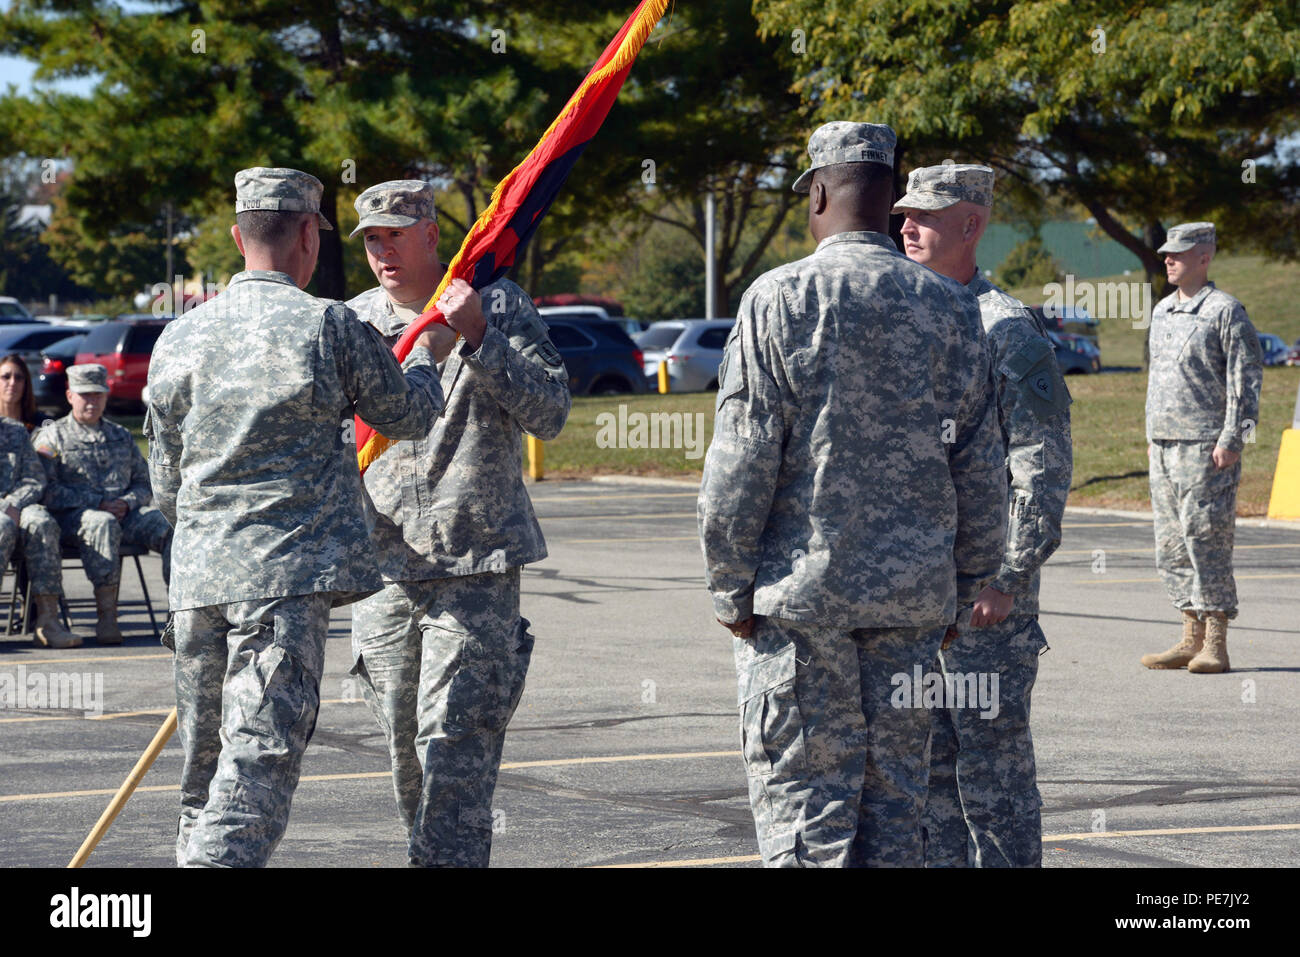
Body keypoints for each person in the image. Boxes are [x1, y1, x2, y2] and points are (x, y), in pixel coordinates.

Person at [697, 123, 1007, 867]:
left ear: (821, 190)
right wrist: (966, 588)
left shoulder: (778, 299)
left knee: (808, 821)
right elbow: (980, 467)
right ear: (889, 194)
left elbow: (740, 465)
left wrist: (729, 589)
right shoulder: (952, 307)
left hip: (805, 610)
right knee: (896, 819)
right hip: (911, 607)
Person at [145, 166, 454, 868]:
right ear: (310, 237)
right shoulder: (329, 324)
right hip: (279, 589)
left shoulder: (179, 338)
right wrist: (430, 357)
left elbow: (166, 482)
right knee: (255, 771)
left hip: (196, 585)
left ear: (236, 236)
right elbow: (405, 415)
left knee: (205, 778)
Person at [345, 179, 570, 867]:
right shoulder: (350, 322)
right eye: (371, 238)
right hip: (383, 575)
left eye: (394, 233)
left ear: (432, 234)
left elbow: (552, 412)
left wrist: (479, 337)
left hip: (474, 569)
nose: (382, 249)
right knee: (407, 763)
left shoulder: (497, 303)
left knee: (456, 760)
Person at [893, 164, 1073, 868]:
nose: (908, 225)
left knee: (993, 777)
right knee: (928, 772)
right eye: (904, 212)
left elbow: (1044, 463)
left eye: (927, 215)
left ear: (972, 224)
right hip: (913, 595)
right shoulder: (905, 318)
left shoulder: (1006, 329)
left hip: (985, 604)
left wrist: (1007, 576)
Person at [1140, 222, 1262, 674]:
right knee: (1170, 543)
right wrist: (1152, 437)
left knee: (1206, 540)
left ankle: (1215, 641)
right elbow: (1157, 382)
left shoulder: (1225, 311)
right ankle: (1188, 636)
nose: (1168, 260)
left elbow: (1246, 380)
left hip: (1207, 447)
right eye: (1166, 253)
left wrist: (1234, 439)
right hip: (1166, 444)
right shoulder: (1162, 311)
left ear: (1204, 257)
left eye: (1178, 254)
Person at [32, 364, 172, 644]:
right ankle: (107, 617)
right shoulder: (52, 437)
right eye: (85, 395)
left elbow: (145, 483)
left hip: (125, 514)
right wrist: (99, 503)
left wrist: (127, 502)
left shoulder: (120, 436)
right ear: (70, 395)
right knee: (102, 522)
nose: (92, 401)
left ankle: (178, 612)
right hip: (75, 520)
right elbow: (47, 491)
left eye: (98, 394)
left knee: (169, 525)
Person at [0, 411, 77, 648]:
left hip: (17, 504)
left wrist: (13, 503)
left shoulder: (14, 431)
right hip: (5, 513)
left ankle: (47, 621)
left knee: (42, 523)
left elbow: (34, 479)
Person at [0, 354, 43, 431]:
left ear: (26, 384)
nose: (12, 382)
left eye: (18, 377)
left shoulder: (42, 424)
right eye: (6, 377)